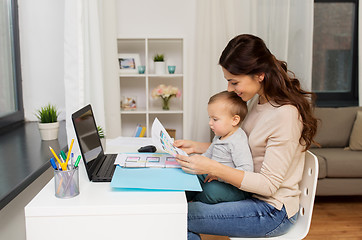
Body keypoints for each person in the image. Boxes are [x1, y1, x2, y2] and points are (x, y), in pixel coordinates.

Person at [174, 34, 318, 239]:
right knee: (175, 199)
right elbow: (246, 150)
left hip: (271, 210)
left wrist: (213, 167)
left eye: (234, 82)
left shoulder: (285, 115)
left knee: (175, 216)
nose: (230, 90)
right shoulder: (256, 101)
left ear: (259, 75)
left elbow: (268, 185)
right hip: (249, 196)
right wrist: (196, 146)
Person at [186, 90, 253, 204]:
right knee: (191, 176)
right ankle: (183, 197)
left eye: (215, 119)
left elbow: (246, 170)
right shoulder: (219, 136)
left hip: (233, 186)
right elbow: (207, 156)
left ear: (234, 120)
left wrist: (220, 176)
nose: (210, 123)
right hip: (214, 176)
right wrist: (193, 163)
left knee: (210, 190)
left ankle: (194, 202)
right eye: (210, 118)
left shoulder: (238, 140)